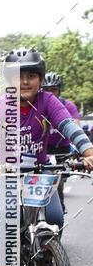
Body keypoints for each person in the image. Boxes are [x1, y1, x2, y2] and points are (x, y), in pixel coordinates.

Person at [0, 49, 93, 226]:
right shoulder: (0, 105)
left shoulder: (48, 100)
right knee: (10, 222)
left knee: (55, 218)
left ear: (41, 80)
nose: (25, 82)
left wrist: (89, 152)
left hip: (39, 170)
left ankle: (51, 251)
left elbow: (69, 126)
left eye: (31, 75)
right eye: (18, 76)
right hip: (7, 171)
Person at [42, 72, 80, 211]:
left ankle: (59, 208)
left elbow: (75, 126)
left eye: (54, 89)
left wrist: (80, 148)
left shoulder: (68, 106)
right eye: (47, 90)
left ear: (59, 90)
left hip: (61, 151)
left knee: (57, 181)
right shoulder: (37, 105)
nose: (50, 93)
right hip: (43, 150)